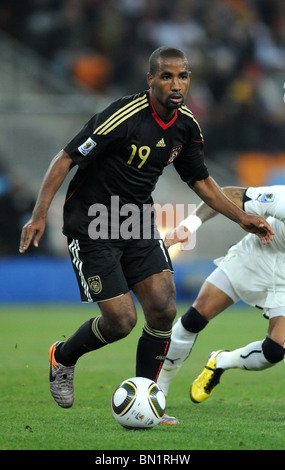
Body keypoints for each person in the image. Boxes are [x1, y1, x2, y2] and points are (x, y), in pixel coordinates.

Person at [19, 46, 274, 423]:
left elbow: (201, 181)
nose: (176, 84)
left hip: (135, 220)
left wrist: (240, 217)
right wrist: (39, 214)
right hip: (92, 223)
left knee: (163, 307)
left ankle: (146, 399)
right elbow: (66, 158)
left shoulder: (186, 125)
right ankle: (63, 356)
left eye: (183, 76)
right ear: (151, 79)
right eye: (167, 76)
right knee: (121, 321)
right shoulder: (123, 116)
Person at [157, 184, 285, 410]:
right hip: (257, 255)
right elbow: (226, 195)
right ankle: (159, 388)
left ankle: (222, 361)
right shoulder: (281, 199)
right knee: (196, 317)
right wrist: (189, 225)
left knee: (274, 352)